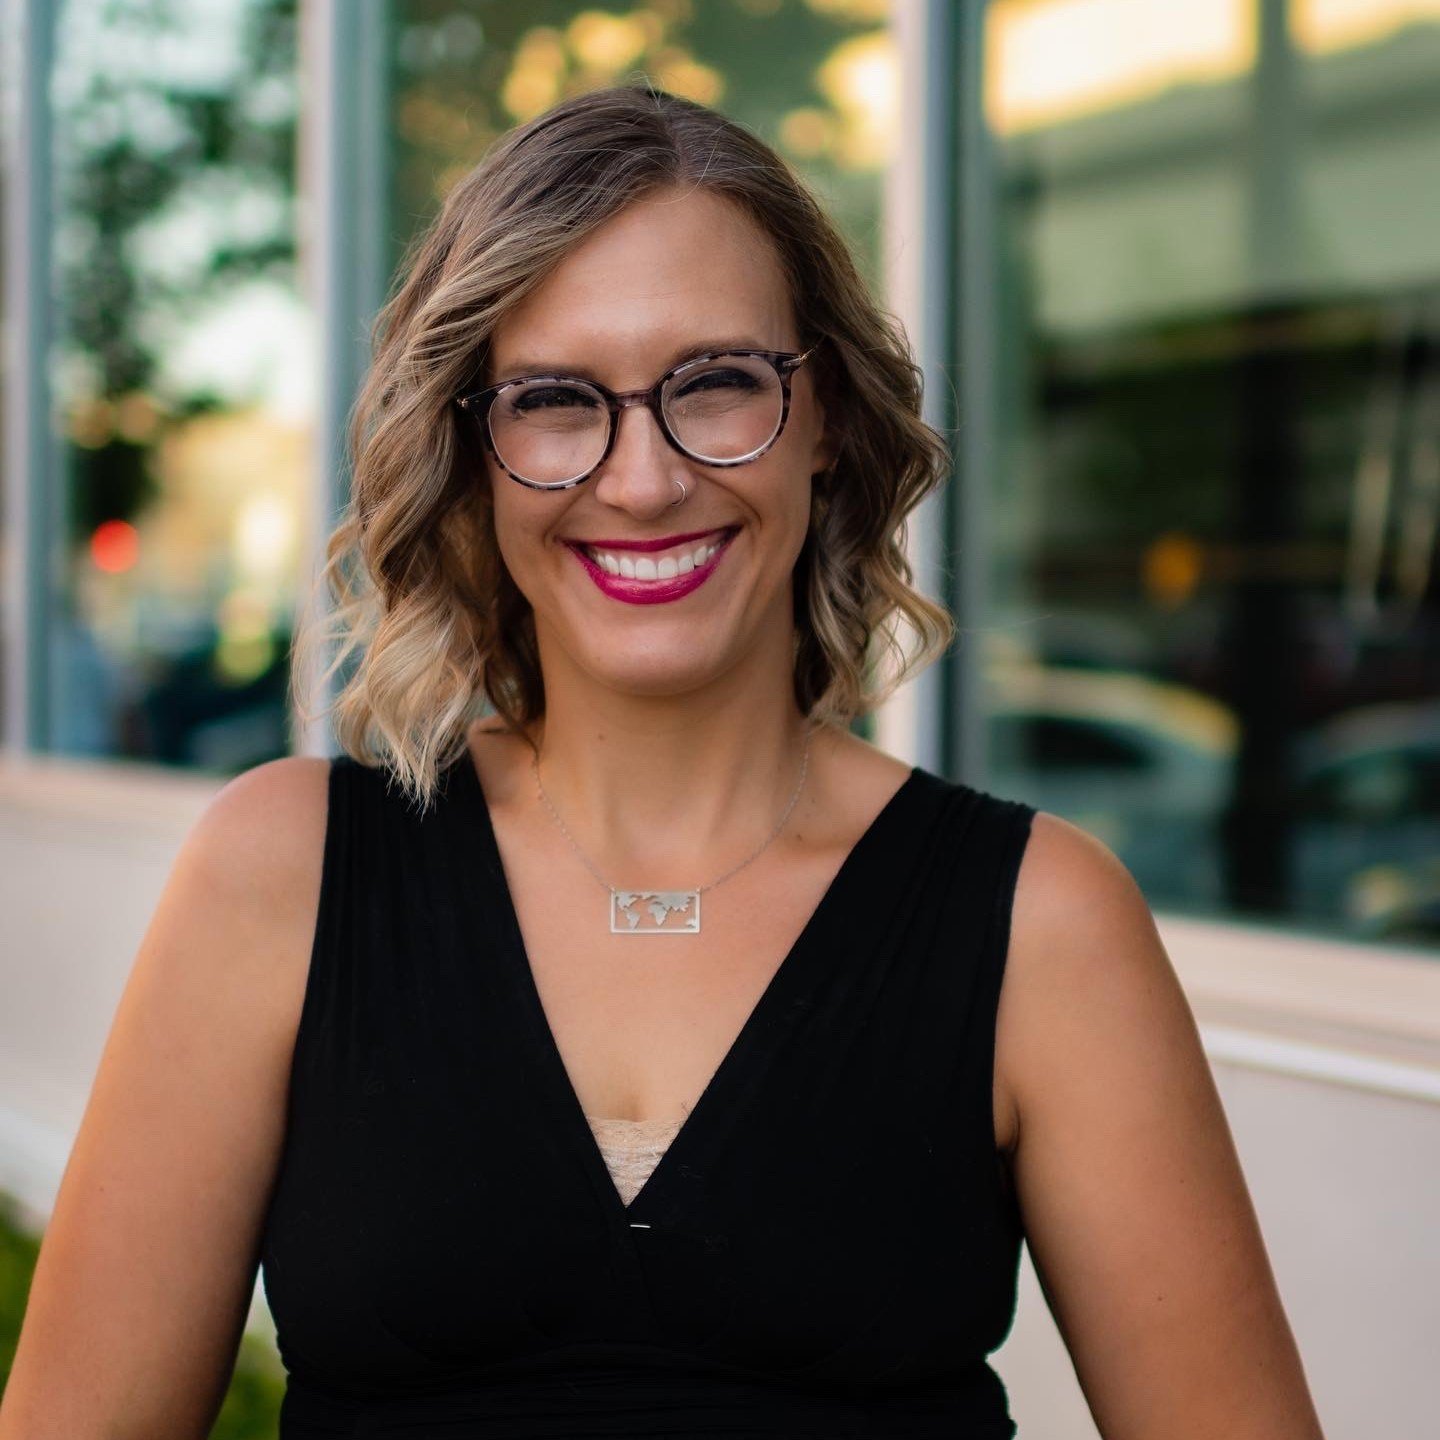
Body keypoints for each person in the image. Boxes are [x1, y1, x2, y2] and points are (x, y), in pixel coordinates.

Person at [0, 83, 1326, 1440]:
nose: (641, 480)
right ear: (475, 452)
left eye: (717, 383)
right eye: (557, 401)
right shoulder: (282, 877)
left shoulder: (1042, 923)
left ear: (829, 422)